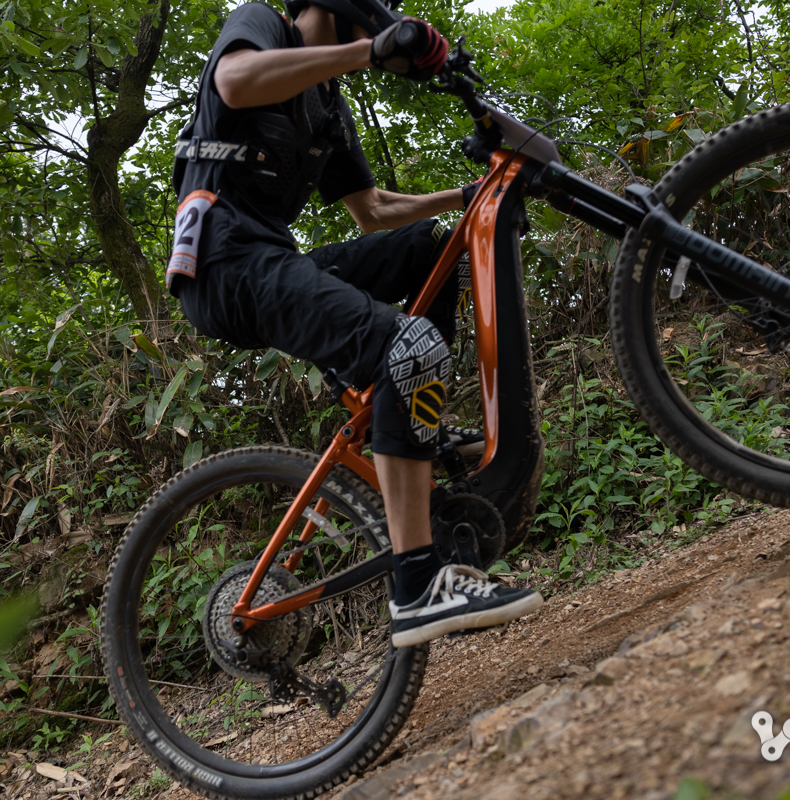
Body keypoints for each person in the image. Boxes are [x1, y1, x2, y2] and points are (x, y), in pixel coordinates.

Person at [165, 0, 543, 646]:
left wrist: (469, 196)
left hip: (270, 258)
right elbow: (234, 81)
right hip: (225, 264)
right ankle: (418, 585)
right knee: (412, 347)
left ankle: (410, 419)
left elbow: (372, 209)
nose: (379, 19)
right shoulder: (263, 25)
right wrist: (368, 52)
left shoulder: (327, 107)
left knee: (429, 247)